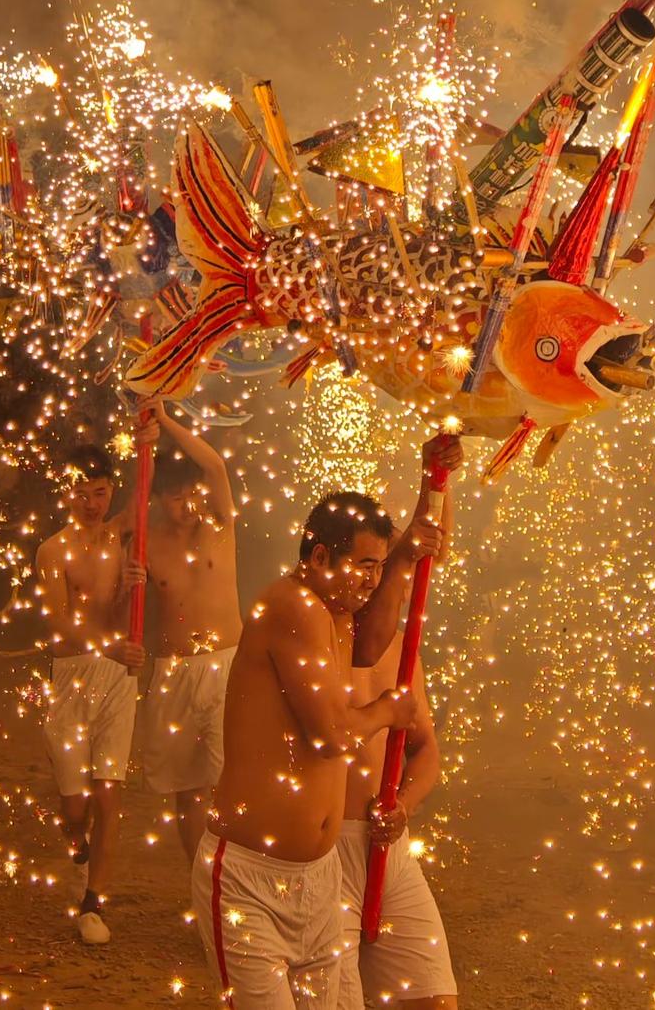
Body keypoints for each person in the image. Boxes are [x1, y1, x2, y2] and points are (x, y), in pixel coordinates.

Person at [191, 434, 462, 1010]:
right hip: (249, 877)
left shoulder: (336, 612)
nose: (370, 581)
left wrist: (415, 533)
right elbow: (332, 735)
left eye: (376, 568)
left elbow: (372, 644)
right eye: (362, 566)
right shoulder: (292, 606)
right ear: (318, 558)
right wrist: (390, 709)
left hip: (317, 878)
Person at [34, 441, 146, 945]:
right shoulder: (52, 551)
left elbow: (144, 493)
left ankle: (94, 901)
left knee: (108, 792)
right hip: (72, 675)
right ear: (66, 492)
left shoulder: (120, 537)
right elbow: (58, 624)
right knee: (76, 805)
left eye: (99, 493)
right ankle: (76, 840)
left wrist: (149, 435)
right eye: (81, 493)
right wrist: (110, 646)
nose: (91, 504)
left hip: (116, 677)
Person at [137, 401, 242, 860]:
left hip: (226, 665)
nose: (188, 505)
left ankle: (231, 878)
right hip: (174, 670)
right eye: (177, 498)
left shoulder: (219, 524)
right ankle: (199, 878)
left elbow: (215, 466)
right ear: (160, 499)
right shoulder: (147, 542)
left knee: (231, 781)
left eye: (192, 494)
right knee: (187, 787)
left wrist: (166, 422)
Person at [336, 641, 457, 1010]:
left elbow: (425, 748)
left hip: (391, 852)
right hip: (323, 852)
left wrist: (403, 803)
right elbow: (326, 739)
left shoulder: (404, 650)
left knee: (434, 1001)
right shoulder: (312, 641)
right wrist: (384, 711)